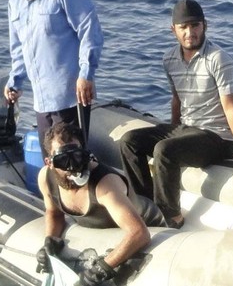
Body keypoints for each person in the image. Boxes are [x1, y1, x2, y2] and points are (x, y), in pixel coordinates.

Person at [119, 0, 233, 229]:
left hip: (216, 137)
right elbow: (177, 99)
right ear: (173, 30)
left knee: (164, 150)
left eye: (195, 25)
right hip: (187, 129)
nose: (190, 32)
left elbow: (230, 105)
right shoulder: (169, 59)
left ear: (204, 26)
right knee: (129, 141)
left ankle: (171, 217)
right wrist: (173, 130)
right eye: (183, 27)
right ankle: (145, 206)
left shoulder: (218, 59)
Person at [4, 0, 103, 157]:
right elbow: (19, 47)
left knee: (72, 163)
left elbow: (90, 32)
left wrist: (86, 74)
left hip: (70, 97)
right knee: (50, 163)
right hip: (42, 103)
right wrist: (15, 81)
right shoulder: (15, 0)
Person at [36, 122, 165, 285]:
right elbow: (54, 213)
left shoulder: (105, 185)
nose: (72, 167)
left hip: (148, 224)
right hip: (105, 228)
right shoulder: (46, 178)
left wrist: (101, 269)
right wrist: (50, 239)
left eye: (77, 157)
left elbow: (140, 233)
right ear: (49, 162)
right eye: (63, 160)